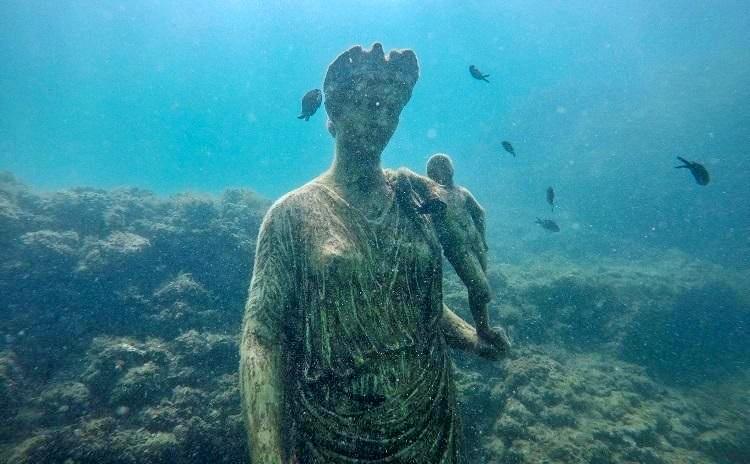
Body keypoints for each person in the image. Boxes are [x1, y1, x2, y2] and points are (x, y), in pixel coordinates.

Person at [240, 43, 506, 464]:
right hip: (335, 428)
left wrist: (474, 341)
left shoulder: (413, 200)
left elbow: (417, 304)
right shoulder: (293, 215)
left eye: (392, 110)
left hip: (429, 418)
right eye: (367, 105)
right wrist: (267, 454)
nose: (381, 121)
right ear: (336, 112)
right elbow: (261, 339)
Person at [426, 153, 511, 350]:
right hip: (458, 250)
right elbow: (426, 221)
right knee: (481, 289)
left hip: (476, 245)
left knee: (477, 289)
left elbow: (479, 212)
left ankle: (483, 328)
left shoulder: (462, 192)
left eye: (445, 167)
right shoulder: (434, 198)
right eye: (436, 169)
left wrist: (481, 237)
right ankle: (483, 331)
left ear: (451, 170)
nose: (441, 172)